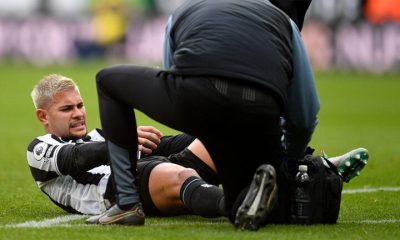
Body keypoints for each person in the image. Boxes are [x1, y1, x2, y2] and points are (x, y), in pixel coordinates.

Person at [93, 0, 367, 230]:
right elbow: (306, 114)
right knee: (240, 203)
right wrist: (287, 158)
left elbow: (171, 72)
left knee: (108, 81)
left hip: (198, 100)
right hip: (260, 113)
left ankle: (126, 205)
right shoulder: (285, 21)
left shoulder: (187, 9)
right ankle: (305, 174)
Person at [27, 74, 228, 222]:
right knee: (179, 176)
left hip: (150, 171)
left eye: (80, 105)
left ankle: (254, 184)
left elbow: (162, 147)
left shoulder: (97, 136)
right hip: (116, 192)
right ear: (43, 116)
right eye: (67, 109)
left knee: (219, 140)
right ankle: (239, 206)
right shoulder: (38, 148)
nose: (78, 113)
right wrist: (123, 140)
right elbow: (76, 157)